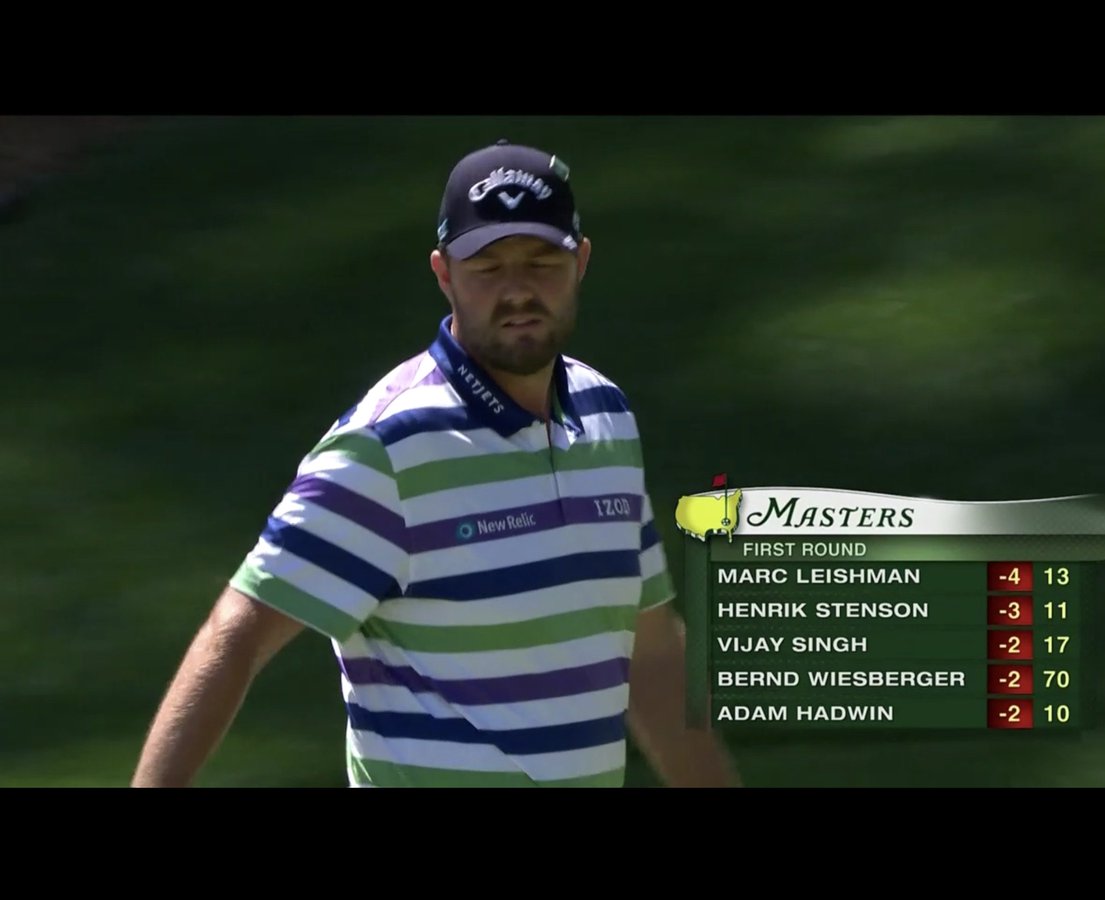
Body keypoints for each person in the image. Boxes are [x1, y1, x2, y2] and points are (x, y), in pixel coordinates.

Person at [131, 139, 740, 788]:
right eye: (487, 267)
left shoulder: (605, 415)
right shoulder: (388, 448)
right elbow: (238, 632)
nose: (517, 291)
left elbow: (649, 655)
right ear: (444, 274)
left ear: (581, 262)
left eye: (541, 263)